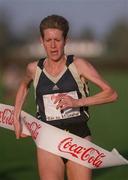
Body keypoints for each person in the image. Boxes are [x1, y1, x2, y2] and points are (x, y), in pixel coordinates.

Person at [13, 14, 118, 180]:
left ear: (65, 41)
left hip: (78, 138)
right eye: (48, 40)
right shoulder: (34, 69)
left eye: (57, 40)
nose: (53, 46)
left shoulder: (78, 65)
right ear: (42, 41)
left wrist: (77, 102)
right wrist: (15, 115)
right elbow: (23, 86)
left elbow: (111, 93)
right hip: (47, 138)